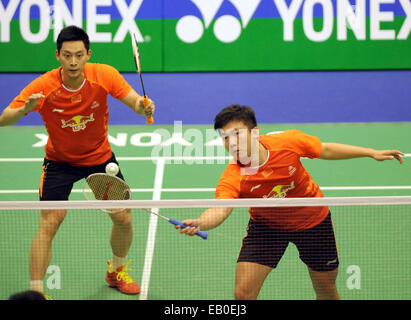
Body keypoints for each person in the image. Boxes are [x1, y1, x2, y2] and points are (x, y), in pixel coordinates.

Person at [177, 104, 404, 300]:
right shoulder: (233, 176)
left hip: (313, 221)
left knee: (325, 287)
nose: (231, 142)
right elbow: (221, 209)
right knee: (243, 294)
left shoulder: (288, 142)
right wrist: (200, 222)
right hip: (267, 228)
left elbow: (325, 149)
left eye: (237, 134)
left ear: (254, 133)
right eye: (225, 137)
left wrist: (370, 152)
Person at [0, 26, 155, 297]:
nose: (73, 61)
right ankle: (36, 292)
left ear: (88, 55)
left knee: (123, 218)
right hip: (59, 161)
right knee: (49, 222)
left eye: (79, 55)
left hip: (99, 157)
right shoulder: (44, 86)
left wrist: (144, 107)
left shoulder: (104, 75)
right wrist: (25, 109)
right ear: (58, 55)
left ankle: (116, 271)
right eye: (67, 55)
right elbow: (4, 119)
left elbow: (134, 102)